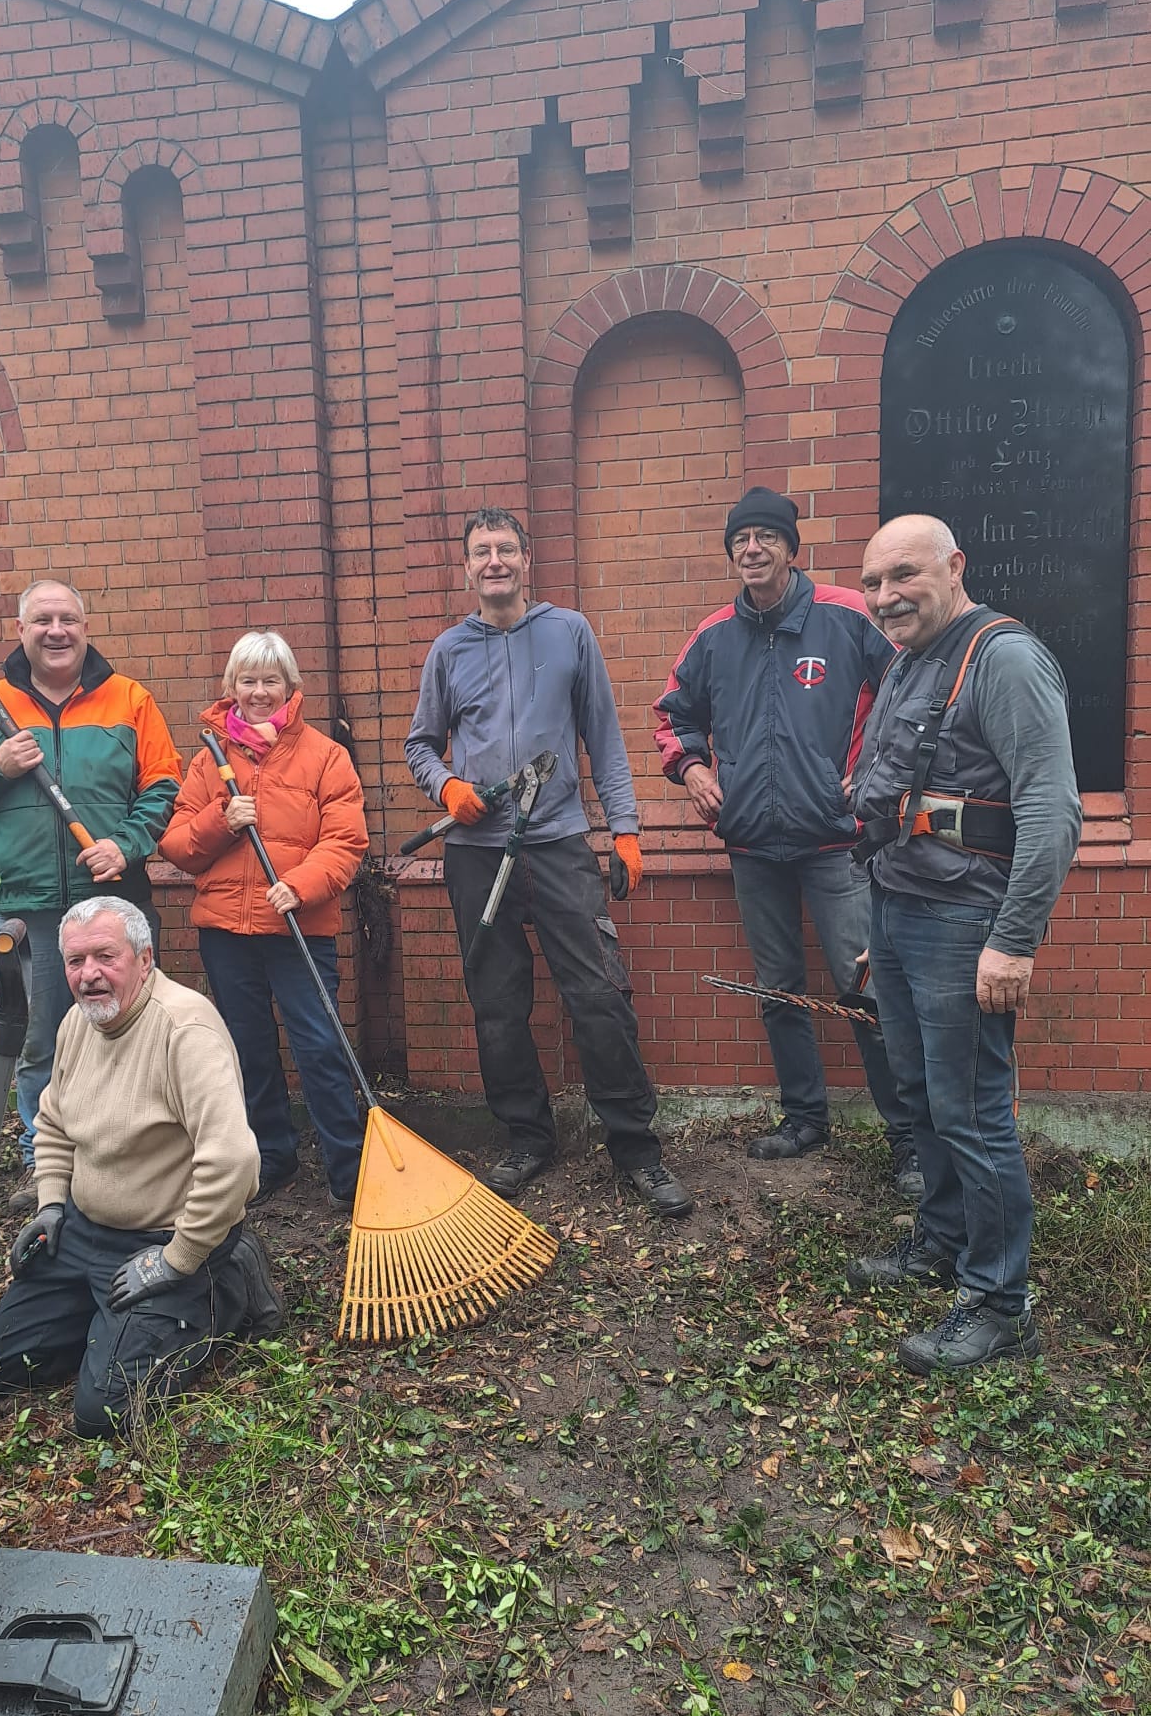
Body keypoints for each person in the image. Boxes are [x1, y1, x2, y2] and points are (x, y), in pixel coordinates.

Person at [404, 506, 691, 1218]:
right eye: (480, 551)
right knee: (497, 1004)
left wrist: (625, 831)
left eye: (505, 549)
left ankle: (636, 1148)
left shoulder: (569, 633)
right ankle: (527, 1139)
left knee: (598, 993)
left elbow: (604, 737)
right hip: (476, 853)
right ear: (466, 567)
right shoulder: (448, 651)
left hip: (560, 842)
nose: (493, 561)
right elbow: (419, 745)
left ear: (526, 561)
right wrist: (450, 788)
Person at [847, 515, 1080, 1375]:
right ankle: (942, 1243)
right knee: (922, 1096)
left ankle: (1000, 1304)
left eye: (902, 576)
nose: (883, 598)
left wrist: (1013, 942)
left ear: (954, 567)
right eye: (872, 584)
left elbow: (1053, 813)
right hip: (902, 910)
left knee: (975, 1113)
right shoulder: (912, 660)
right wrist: (880, 932)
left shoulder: (1004, 660)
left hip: (966, 923)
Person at [654, 486, 919, 1194]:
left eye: (767, 537)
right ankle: (805, 1119)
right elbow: (672, 715)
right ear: (731, 552)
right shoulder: (713, 635)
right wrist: (693, 766)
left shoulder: (846, 616)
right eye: (742, 540)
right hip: (752, 847)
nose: (753, 549)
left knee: (863, 987)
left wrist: (871, 772)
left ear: (791, 549)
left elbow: (912, 687)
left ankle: (911, 1143)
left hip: (837, 843)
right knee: (778, 990)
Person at [0, 897, 285, 1436]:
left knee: (104, 1413)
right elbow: (52, 1123)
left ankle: (228, 1283)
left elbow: (234, 1159)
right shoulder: (78, 1023)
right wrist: (51, 1205)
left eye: (105, 957)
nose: (89, 975)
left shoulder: (186, 1030)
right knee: (1, 1367)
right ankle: (112, 1320)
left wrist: (178, 1258)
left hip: (163, 1240)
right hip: (84, 1234)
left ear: (145, 959)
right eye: (76, 961)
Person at [0, 581, 182, 1207]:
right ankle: (48, 1176)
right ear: (21, 630)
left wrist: (125, 844)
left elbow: (164, 786)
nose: (56, 631)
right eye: (41, 619)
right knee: (42, 1038)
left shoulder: (129, 700)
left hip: (114, 898)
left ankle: (131, 1163)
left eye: (67, 618)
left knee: (129, 1030)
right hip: (30, 904)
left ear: (85, 626)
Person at [158, 632, 369, 1209]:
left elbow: (346, 841)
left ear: (291, 688)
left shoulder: (326, 757)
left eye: (269, 680)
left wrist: (298, 887)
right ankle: (271, 1159)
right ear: (232, 688)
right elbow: (176, 845)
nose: (258, 692)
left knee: (320, 1048)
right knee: (247, 1049)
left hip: (298, 928)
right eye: (247, 681)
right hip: (226, 933)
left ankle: (349, 1172)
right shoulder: (209, 762)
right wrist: (221, 822)